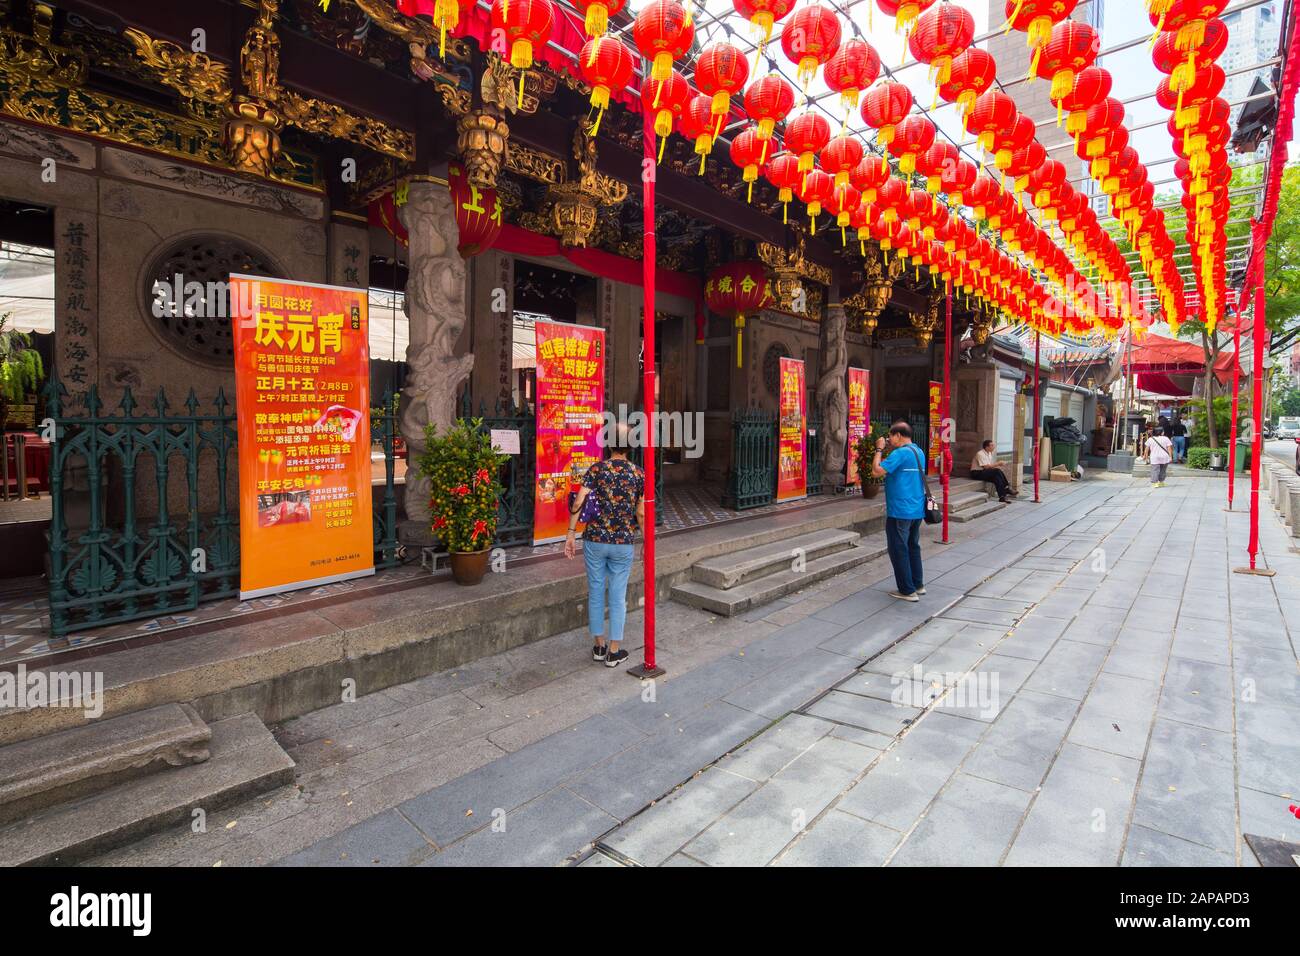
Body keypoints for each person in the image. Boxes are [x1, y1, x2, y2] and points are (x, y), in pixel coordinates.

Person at [565, 426, 645, 668]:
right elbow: (641, 512)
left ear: (610, 445)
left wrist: (570, 534)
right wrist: (645, 538)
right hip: (622, 543)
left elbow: (579, 500)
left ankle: (598, 646)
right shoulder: (638, 474)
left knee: (596, 590)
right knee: (618, 596)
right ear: (631, 446)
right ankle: (614, 651)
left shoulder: (596, 469)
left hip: (595, 540)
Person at [871, 421, 926, 603]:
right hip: (916, 508)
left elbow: (876, 471)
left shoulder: (900, 453)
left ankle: (907, 590)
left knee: (898, 549)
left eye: (890, 436)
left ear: (898, 435)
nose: (889, 439)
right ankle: (918, 584)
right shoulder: (918, 452)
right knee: (912, 546)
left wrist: (879, 450)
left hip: (900, 510)